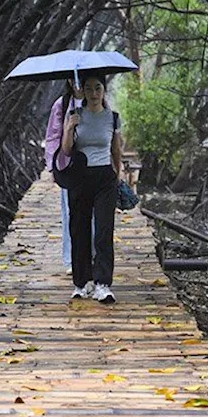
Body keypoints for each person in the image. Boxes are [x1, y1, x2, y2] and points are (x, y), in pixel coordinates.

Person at [60, 73, 124, 303]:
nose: (94, 93)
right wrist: (69, 128)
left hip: (105, 177)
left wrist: (119, 173)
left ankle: (102, 284)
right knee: (79, 229)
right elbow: (66, 150)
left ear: (104, 90)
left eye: (98, 88)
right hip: (80, 176)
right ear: (82, 91)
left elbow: (116, 150)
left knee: (104, 231)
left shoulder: (113, 118)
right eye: (89, 89)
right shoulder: (75, 115)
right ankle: (80, 283)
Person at [44, 79, 86, 273]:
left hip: (92, 165)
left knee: (93, 215)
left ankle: (91, 256)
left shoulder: (96, 100)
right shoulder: (61, 104)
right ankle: (71, 259)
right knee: (70, 213)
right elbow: (52, 136)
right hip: (68, 165)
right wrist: (52, 165)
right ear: (69, 80)